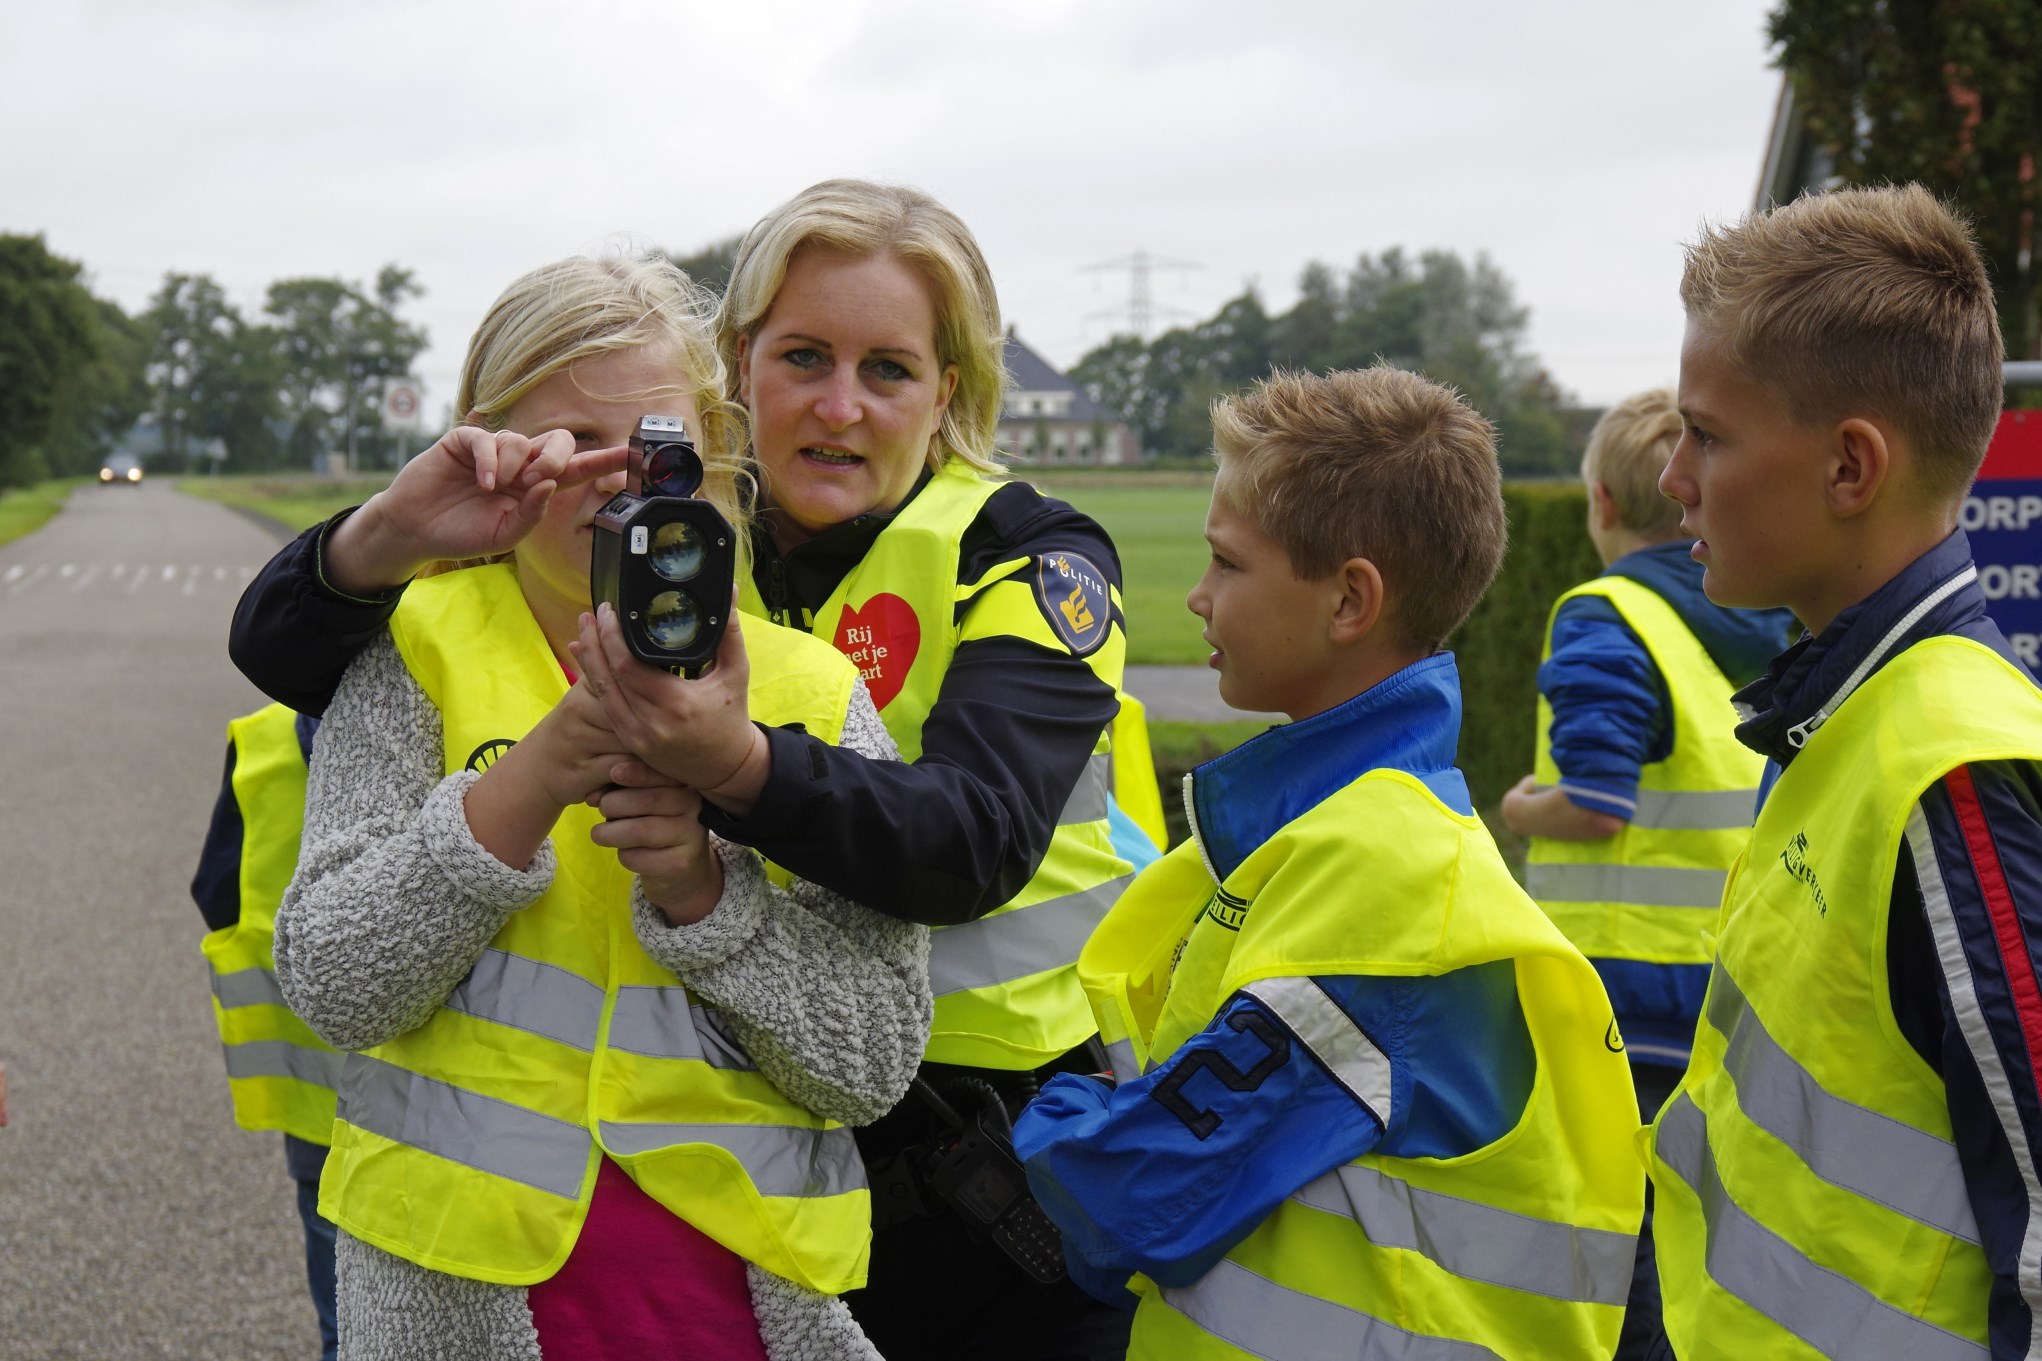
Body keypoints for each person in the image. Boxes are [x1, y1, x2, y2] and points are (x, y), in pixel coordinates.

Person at [230, 180, 1141, 1360]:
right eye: (803, 356)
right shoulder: (665, 544)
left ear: (946, 390)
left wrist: (731, 780)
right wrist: (387, 538)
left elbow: (971, 835)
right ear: (740, 379)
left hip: (979, 1150)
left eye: (890, 371)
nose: (839, 405)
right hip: (588, 1225)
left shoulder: (1019, 552)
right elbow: (288, 645)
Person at [272, 254, 931, 1359]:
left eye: (656, 448)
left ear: (712, 450)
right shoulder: (413, 651)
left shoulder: (812, 691)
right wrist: (529, 779)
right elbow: (334, 981)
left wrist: (702, 889)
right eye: (570, 445)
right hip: (457, 1302)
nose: (617, 485)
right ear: (486, 445)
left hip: (737, 1309)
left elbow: (868, 1060)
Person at [1013, 367, 1645, 1360]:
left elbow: (1127, 1206)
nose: (1196, 593)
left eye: (1226, 563)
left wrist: (1054, 1106)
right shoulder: (1349, 830)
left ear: (1349, 600)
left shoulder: (1385, 874)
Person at [1642, 184, 2042, 1361]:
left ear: (1849, 468)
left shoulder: (1948, 773)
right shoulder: (1842, 710)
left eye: (1705, 434)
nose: (1673, 476)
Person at [1499, 388, 1792, 1354]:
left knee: (1605, 1242)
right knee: (1691, 1237)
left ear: (1603, 501)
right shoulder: (1768, 625)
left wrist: (1518, 807)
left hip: (1616, 989)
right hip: (1725, 983)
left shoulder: (1604, 617)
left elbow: (1595, 801)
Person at [191, 704, 343, 1361]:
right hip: (464, 1116)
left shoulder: (264, 739)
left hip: (317, 1095)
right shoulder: (479, 725)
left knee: (347, 1323)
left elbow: (217, 888)